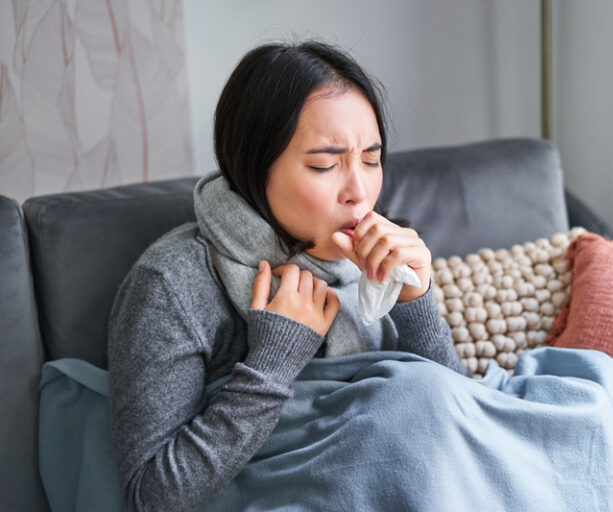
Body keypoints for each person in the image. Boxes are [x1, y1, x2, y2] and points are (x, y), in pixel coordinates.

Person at [107, 40, 470, 512]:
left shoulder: (378, 248)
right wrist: (274, 361)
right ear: (255, 167)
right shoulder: (174, 283)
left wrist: (416, 301)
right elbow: (151, 495)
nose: (359, 193)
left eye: (371, 159)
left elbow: (457, 421)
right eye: (325, 164)